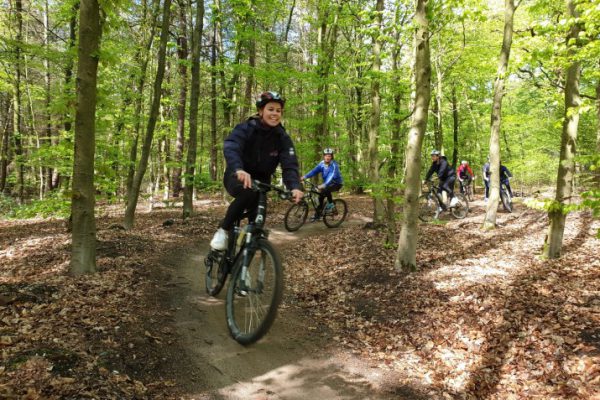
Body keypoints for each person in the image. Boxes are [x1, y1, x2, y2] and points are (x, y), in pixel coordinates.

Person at [210, 91, 303, 250]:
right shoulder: (246, 128)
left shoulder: (282, 137)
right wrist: (239, 168)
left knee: (258, 223)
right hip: (237, 175)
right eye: (270, 109)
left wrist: (294, 186)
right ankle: (223, 230)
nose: (275, 113)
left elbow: (290, 164)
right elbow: (232, 146)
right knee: (247, 193)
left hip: (262, 183)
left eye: (278, 110)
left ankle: (244, 261)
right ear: (261, 111)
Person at [302, 148, 344, 221]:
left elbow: (330, 176)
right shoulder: (321, 164)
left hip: (336, 183)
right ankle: (318, 215)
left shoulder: (334, 165)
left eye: (329, 156)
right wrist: (304, 177)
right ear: (324, 156)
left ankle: (331, 206)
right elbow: (314, 171)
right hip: (328, 183)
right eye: (326, 156)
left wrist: (323, 185)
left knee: (325, 189)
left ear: (332, 157)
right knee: (320, 197)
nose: (327, 157)